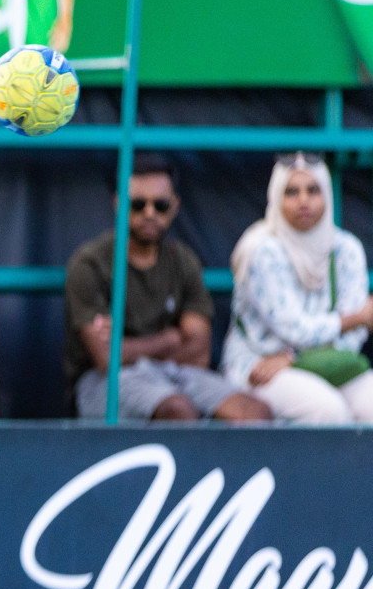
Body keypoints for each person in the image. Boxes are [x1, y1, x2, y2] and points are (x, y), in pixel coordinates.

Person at [63, 155, 270, 422]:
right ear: (118, 204)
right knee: (178, 409)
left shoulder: (183, 260)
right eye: (138, 205)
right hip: (102, 382)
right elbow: (106, 358)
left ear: (174, 206)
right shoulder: (91, 262)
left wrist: (131, 346)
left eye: (160, 205)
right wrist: (170, 338)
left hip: (174, 373)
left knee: (256, 412)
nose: (149, 213)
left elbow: (200, 353)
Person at [222, 153, 373, 424]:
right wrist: (352, 320)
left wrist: (294, 359)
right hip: (260, 366)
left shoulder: (346, 249)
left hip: (328, 361)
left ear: (326, 194)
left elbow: (356, 332)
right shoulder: (260, 249)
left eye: (313, 190)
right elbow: (295, 328)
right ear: (276, 197)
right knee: (328, 412)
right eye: (292, 192)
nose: (303, 200)